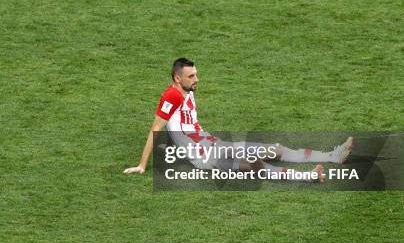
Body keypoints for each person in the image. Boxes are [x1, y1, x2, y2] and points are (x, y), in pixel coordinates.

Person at [123, 58, 353, 181]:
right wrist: (143, 165)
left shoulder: (187, 92)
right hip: (207, 158)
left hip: (215, 144)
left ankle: (331, 156)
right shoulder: (171, 95)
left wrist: (171, 145)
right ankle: (309, 177)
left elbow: (181, 128)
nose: (197, 79)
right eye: (191, 76)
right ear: (177, 77)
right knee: (257, 164)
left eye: (196, 74)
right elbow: (155, 128)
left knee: (275, 149)